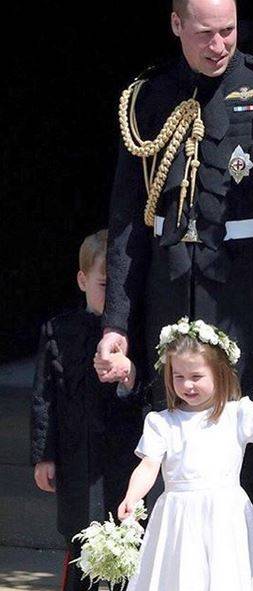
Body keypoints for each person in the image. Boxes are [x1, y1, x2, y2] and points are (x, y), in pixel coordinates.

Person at [96, 0, 253, 580]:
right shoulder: (148, 98)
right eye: (204, 33)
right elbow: (128, 222)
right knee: (169, 465)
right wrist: (117, 322)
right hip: (171, 302)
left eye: (228, 31)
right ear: (176, 25)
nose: (219, 45)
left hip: (250, 306)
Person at [104, 318, 253, 591]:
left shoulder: (237, 414)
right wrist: (132, 497)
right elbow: (148, 465)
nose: (187, 385)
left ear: (219, 373)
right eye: (178, 377)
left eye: (196, 377)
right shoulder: (162, 422)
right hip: (177, 518)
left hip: (224, 516)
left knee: (225, 576)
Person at [30, 230, 144, 591]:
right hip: (77, 457)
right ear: (83, 280)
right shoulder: (58, 330)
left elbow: (149, 392)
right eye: (104, 285)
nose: (112, 296)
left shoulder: (137, 333)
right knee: (81, 543)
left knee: (127, 545)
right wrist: (44, 456)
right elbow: (44, 397)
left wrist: (129, 375)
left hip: (124, 457)